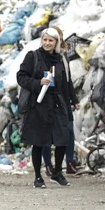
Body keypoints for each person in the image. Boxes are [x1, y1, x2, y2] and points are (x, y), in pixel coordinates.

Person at [17, 27, 72, 188]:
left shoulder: (60, 59)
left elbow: (65, 84)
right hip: (38, 104)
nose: (47, 43)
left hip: (57, 104)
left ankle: (57, 173)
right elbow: (21, 77)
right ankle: (38, 177)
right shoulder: (32, 56)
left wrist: (69, 103)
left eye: (51, 40)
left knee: (62, 139)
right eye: (45, 40)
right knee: (38, 141)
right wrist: (38, 83)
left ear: (56, 42)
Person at [40, 27, 80, 175]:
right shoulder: (42, 57)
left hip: (64, 100)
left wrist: (74, 99)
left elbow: (68, 81)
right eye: (47, 39)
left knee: (68, 131)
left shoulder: (63, 56)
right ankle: (48, 165)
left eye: (56, 38)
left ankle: (69, 162)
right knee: (46, 134)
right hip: (49, 100)